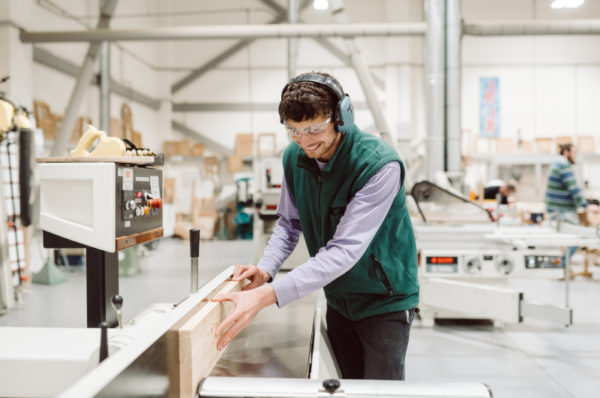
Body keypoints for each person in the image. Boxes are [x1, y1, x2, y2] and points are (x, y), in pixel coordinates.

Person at [212, 72, 419, 380]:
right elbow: (288, 223)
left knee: (380, 392)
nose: (305, 141)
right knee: (347, 385)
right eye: (293, 131)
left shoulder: (379, 165)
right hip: (339, 299)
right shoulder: (294, 156)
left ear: (341, 118)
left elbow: (344, 251)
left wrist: (268, 295)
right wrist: (266, 269)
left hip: (383, 303)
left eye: (314, 128)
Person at [545, 143, 588, 264]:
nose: (576, 156)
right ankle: (562, 263)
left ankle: (562, 262)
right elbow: (573, 188)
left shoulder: (556, 163)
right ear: (566, 152)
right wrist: (586, 205)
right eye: (574, 152)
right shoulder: (564, 165)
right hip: (563, 210)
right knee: (581, 237)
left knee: (573, 237)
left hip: (556, 209)